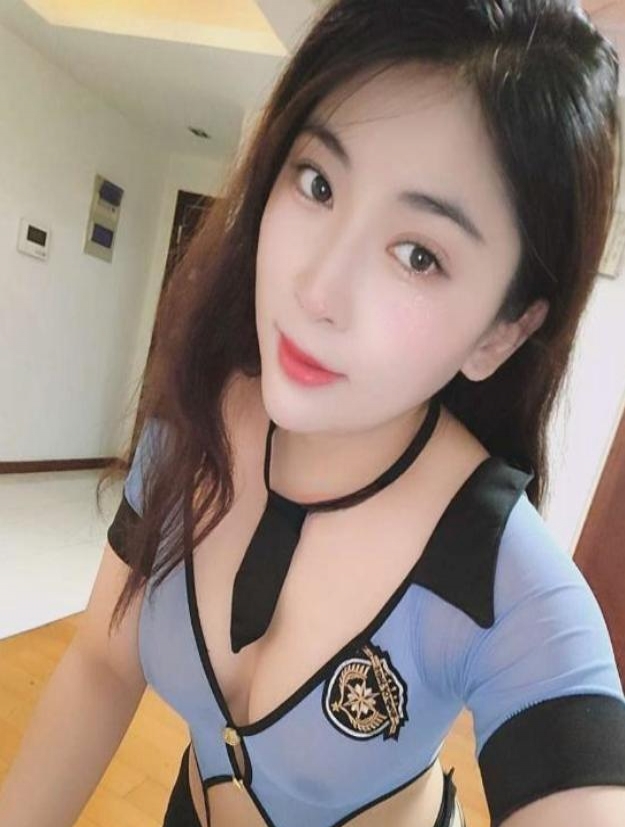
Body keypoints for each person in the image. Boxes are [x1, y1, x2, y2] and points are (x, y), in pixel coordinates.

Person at [2, 1, 625, 826]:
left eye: (418, 254)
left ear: (501, 332)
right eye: (318, 183)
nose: (317, 288)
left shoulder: (511, 589)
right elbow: (101, 665)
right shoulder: (190, 425)